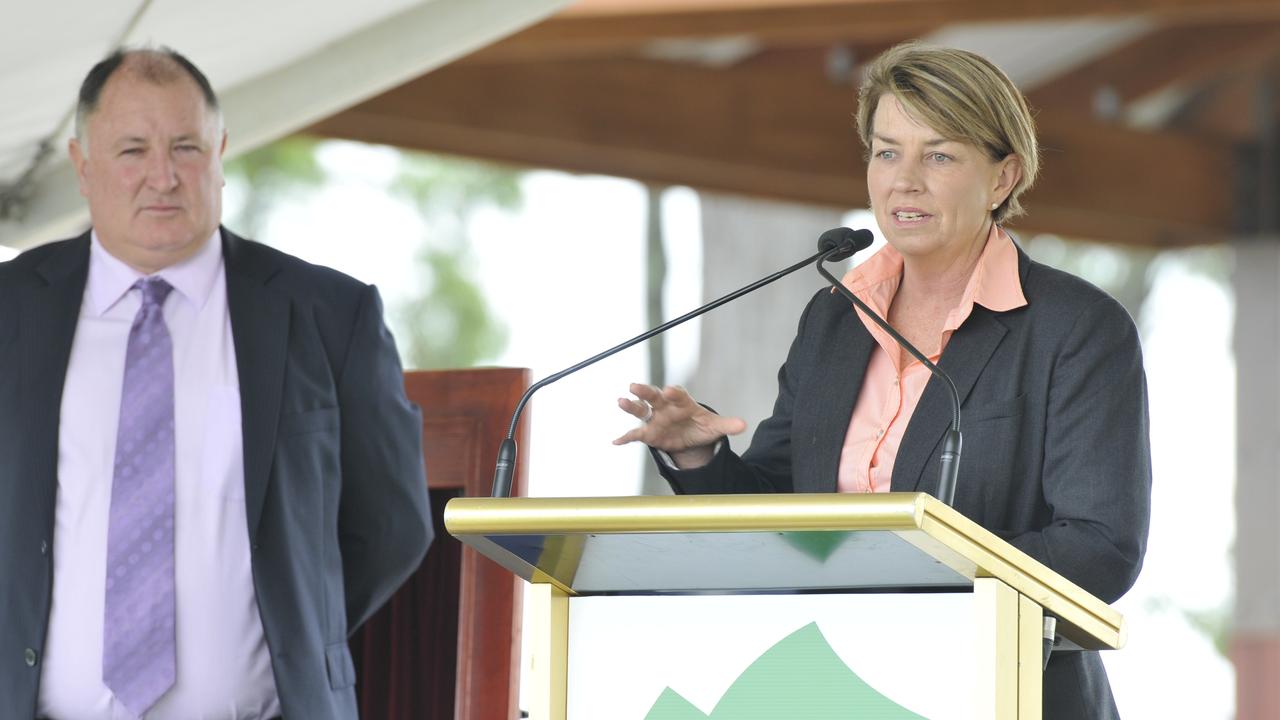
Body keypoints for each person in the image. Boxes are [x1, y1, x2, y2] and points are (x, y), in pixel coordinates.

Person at [616, 41, 1150, 719]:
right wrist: (699, 455)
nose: (905, 179)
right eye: (887, 151)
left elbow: (1100, 546)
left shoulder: (1074, 329)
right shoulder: (835, 320)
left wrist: (911, 578)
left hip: (1002, 691)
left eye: (940, 155)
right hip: (828, 688)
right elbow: (785, 508)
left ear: (1002, 177)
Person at [0, 47, 433, 719]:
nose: (163, 177)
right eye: (132, 150)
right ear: (81, 165)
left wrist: (298, 634)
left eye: (186, 148)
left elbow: (393, 525)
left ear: (221, 151)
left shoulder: (329, 315)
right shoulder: (9, 310)